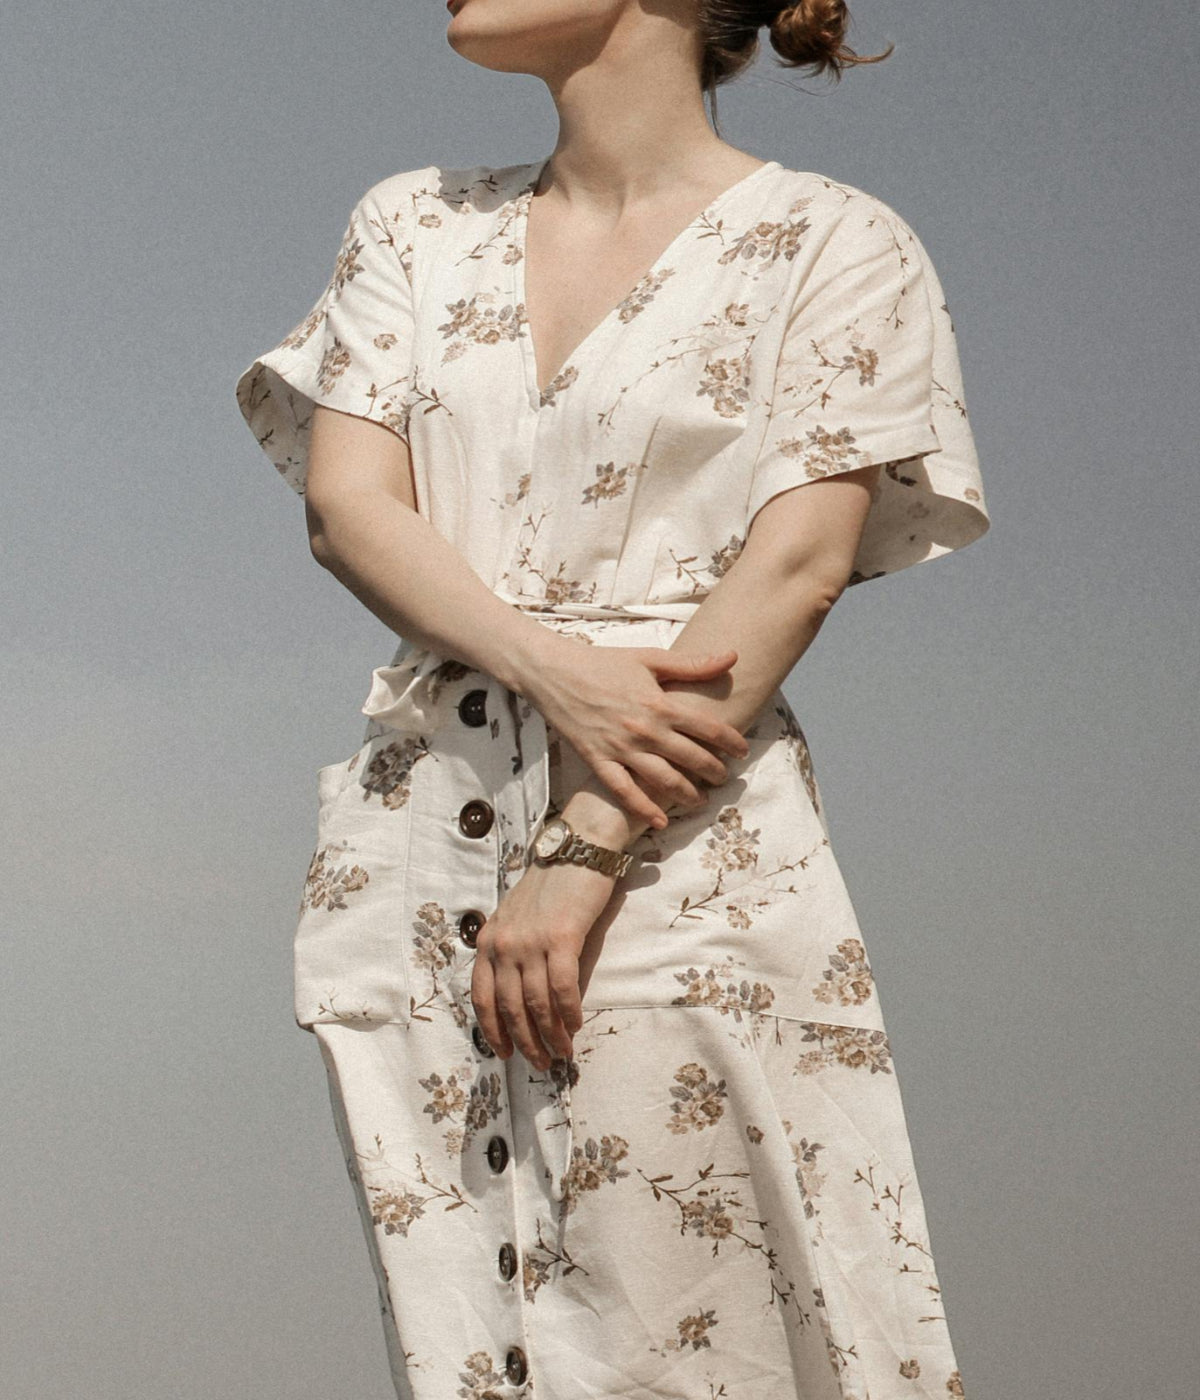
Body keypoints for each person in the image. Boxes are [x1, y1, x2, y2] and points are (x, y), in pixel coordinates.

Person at [234, 1, 989, 1395]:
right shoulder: (414, 223)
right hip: (428, 847)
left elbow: (796, 568)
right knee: (472, 1338)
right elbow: (350, 510)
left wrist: (581, 852)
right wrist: (558, 670)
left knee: (696, 1330)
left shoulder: (834, 242)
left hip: (678, 838)